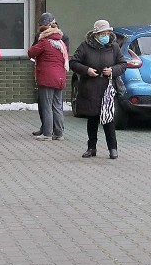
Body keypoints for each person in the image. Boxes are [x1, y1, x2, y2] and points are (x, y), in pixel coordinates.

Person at [69, 19, 128, 159]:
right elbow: (73, 63)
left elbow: (123, 64)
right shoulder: (85, 47)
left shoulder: (114, 47)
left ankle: (113, 149)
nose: (105, 35)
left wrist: (112, 70)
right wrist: (87, 70)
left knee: (108, 120)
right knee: (93, 119)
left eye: (107, 32)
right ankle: (91, 148)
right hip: (90, 89)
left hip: (107, 89)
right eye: (102, 33)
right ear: (96, 34)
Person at [28, 12, 68, 141]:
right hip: (60, 77)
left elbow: (31, 52)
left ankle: (47, 133)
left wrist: (39, 41)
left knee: (47, 106)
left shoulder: (44, 42)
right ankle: (59, 133)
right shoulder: (61, 43)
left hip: (47, 77)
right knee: (57, 106)